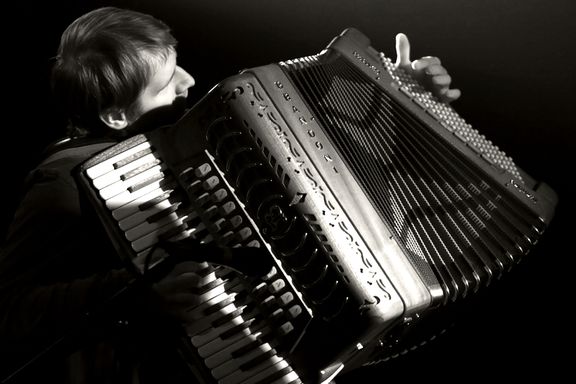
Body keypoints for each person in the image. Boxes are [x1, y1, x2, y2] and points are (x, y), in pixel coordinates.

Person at [0, 6, 461, 384]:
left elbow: (340, 167)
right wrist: (135, 294)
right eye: (166, 84)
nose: (188, 82)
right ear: (117, 117)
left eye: (177, 63)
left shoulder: (198, 133)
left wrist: (401, 99)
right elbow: (12, 313)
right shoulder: (62, 184)